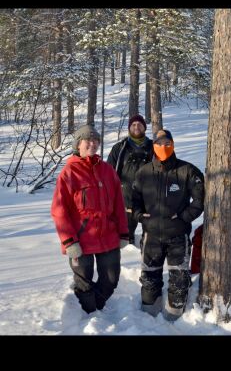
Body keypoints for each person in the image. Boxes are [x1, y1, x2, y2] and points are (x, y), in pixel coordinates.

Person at [51, 125, 129, 314]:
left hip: (108, 236)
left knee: (111, 279)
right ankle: (88, 315)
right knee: (83, 281)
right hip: (80, 239)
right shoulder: (69, 173)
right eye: (88, 140)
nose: (92, 144)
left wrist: (123, 233)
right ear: (78, 144)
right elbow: (59, 210)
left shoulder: (108, 170)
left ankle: (97, 307)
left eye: (96, 141)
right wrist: (69, 241)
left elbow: (119, 204)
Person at [132, 129, 205, 320]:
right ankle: (148, 317)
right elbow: (133, 200)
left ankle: (175, 319)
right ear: (153, 145)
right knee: (149, 277)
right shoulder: (144, 172)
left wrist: (184, 217)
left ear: (173, 145)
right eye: (159, 143)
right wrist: (141, 216)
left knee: (179, 279)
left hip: (178, 236)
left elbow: (200, 200)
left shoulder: (187, 170)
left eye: (167, 143)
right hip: (151, 236)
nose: (163, 147)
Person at [107, 115, 153, 245]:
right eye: (133, 125)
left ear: (145, 127)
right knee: (125, 237)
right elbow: (109, 173)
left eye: (139, 124)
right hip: (125, 199)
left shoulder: (153, 147)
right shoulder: (119, 148)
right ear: (129, 128)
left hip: (149, 198)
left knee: (151, 236)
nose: (136, 127)